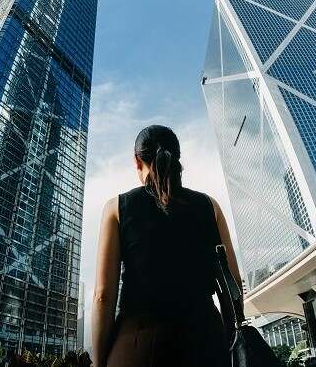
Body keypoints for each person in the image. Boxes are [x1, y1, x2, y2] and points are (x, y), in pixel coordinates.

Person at [91, 125, 243, 367]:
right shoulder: (210, 207)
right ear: (178, 159)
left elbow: (103, 296)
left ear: (137, 161)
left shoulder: (116, 208)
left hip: (137, 345)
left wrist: (98, 362)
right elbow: (232, 283)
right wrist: (229, 341)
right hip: (206, 343)